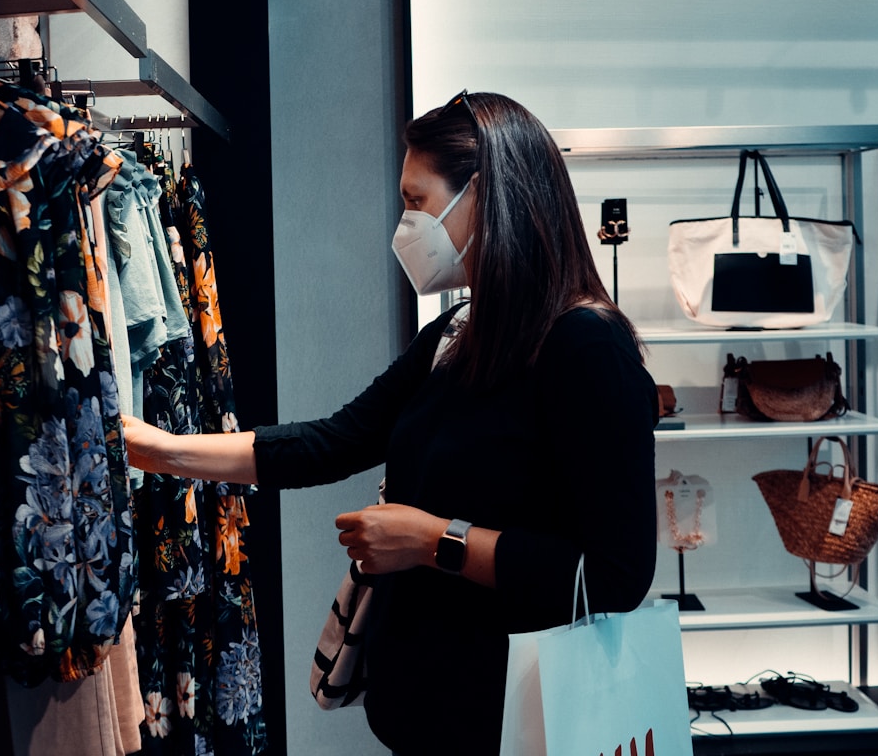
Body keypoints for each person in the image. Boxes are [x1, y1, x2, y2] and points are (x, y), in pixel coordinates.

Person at [123, 91, 658, 756]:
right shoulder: (461, 331)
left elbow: (616, 574)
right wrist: (164, 450)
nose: (404, 222)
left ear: (483, 197)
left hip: (526, 724)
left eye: (416, 200)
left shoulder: (586, 347)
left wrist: (436, 541)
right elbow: (336, 439)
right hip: (428, 713)